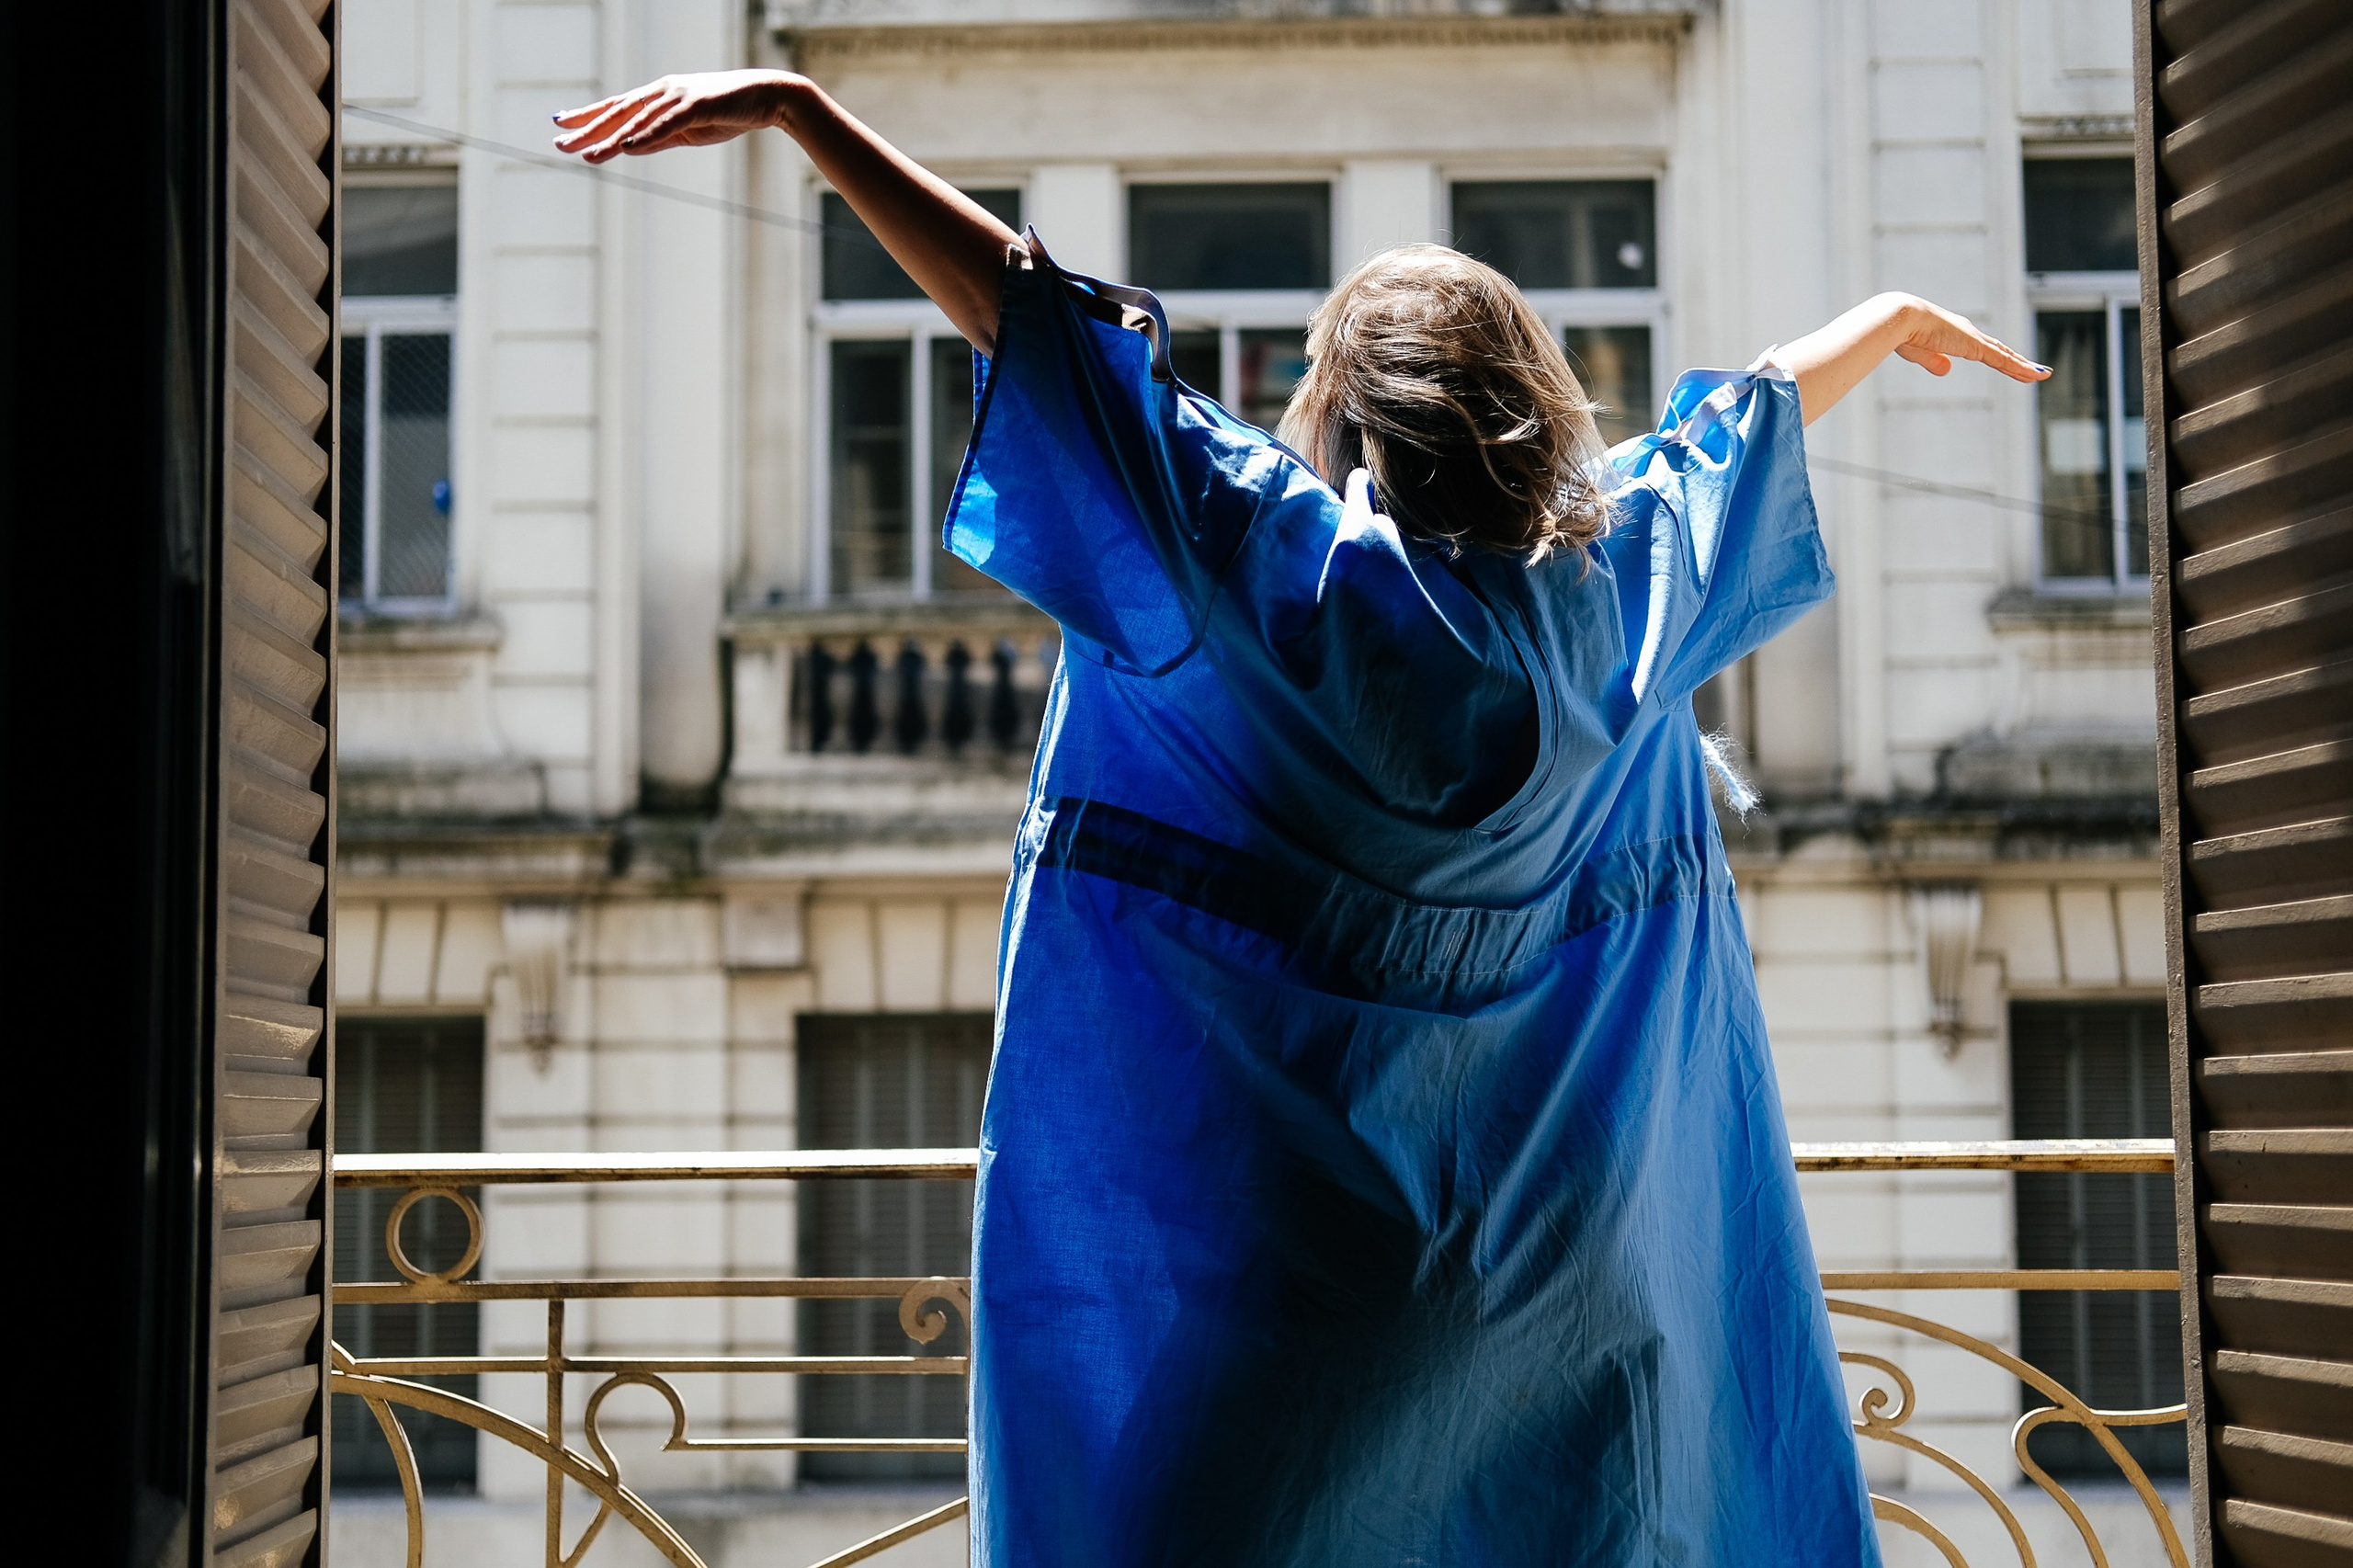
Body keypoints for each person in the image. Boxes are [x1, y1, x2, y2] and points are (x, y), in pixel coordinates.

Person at [557, 71, 2048, 1568]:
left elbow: (1030, 321)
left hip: (1296, 1346)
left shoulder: (1268, 577)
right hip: (1573, 1322)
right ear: (1531, 416)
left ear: (1343, 416)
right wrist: (1889, 317)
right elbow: (1735, 432)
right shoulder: (1618, 610)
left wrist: (804, 116)